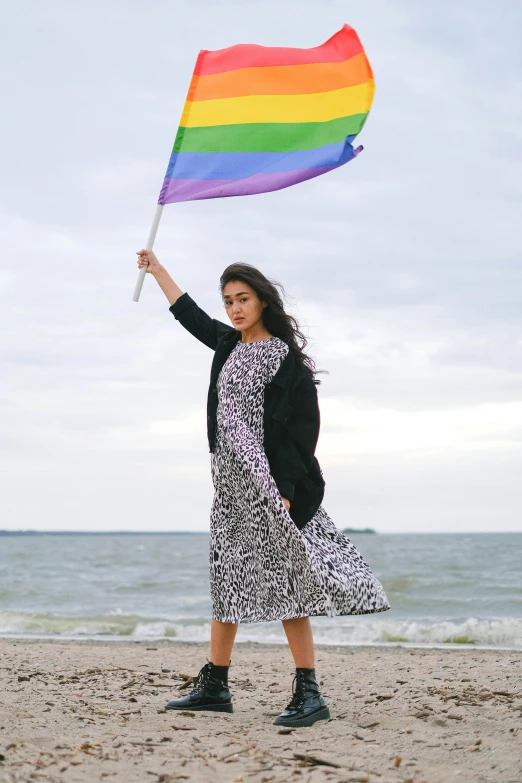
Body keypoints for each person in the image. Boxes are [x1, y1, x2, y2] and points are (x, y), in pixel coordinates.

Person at [136, 249, 391, 728]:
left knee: (289, 581)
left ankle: (309, 691)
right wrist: (157, 271)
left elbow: (302, 431)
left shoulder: (287, 363)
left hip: (267, 483)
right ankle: (215, 685)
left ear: (262, 302)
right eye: (228, 300)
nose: (234, 309)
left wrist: (288, 488)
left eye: (243, 299)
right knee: (226, 577)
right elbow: (187, 313)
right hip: (227, 484)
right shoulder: (227, 344)